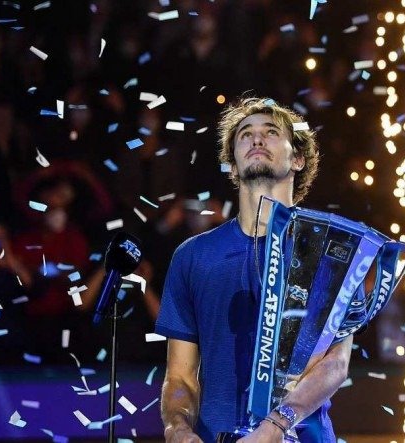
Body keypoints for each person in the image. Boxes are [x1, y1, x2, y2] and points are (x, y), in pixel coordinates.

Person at [155, 97, 352, 443]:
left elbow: (335, 364)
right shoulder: (193, 257)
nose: (257, 139)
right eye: (245, 134)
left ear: (297, 158)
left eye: (271, 132)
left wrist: (274, 427)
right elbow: (180, 377)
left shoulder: (329, 253)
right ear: (232, 167)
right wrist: (177, 429)